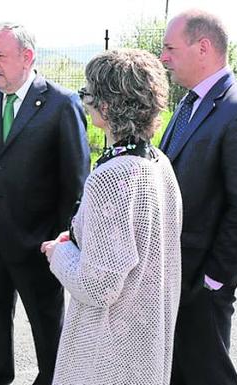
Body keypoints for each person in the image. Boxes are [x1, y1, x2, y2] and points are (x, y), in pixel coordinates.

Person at [0, 22, 90, 385]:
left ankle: (55, 379)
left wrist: (67, 238)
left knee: (48, 327)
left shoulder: (62, 104)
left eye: (0, 56)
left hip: (41, 244)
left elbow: (76, 180)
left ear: (27, 57)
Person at [42, 49, 183, 385]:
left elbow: (100, 286)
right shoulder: (159, 163)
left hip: (108, 351)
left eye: (87, 92)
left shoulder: (112, 177)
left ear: (105, 107)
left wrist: (59, 253)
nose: (84, 101)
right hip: (145, 337)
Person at [159, 9, 237, 385]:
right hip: (174, 278)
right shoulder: (188, 103)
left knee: (210, 376)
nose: (163, 58)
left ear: (204, 47)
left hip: (203, 284)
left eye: (170, 48)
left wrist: (215, 279)